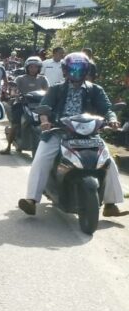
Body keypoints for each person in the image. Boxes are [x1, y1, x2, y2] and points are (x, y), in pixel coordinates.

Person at [17, 52, 127, 218]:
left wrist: (112, 120)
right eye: (72, 69)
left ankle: (110, 205)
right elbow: (44, 107)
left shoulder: (95, 90)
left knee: (108, 163)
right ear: (65, 71)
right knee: (41, 158)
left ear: (86, 71)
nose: (75, 73)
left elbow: (107, 109)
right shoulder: (56, 89)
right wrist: (45, 121)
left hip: (88, 134)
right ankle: (32, 199)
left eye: (80, 69)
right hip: (58, 131)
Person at [0, 56, 48, 155]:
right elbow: (13, 90)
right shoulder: (20, 79)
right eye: (31, 67)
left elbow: (48, 91)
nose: (33, 69)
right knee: (15, 124)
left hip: (38, 106)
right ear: (27, 68)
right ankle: (8, 147)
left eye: (35, 67)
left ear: (39, 68)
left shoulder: (43, 79)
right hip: (22, 104)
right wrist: (14, 94)